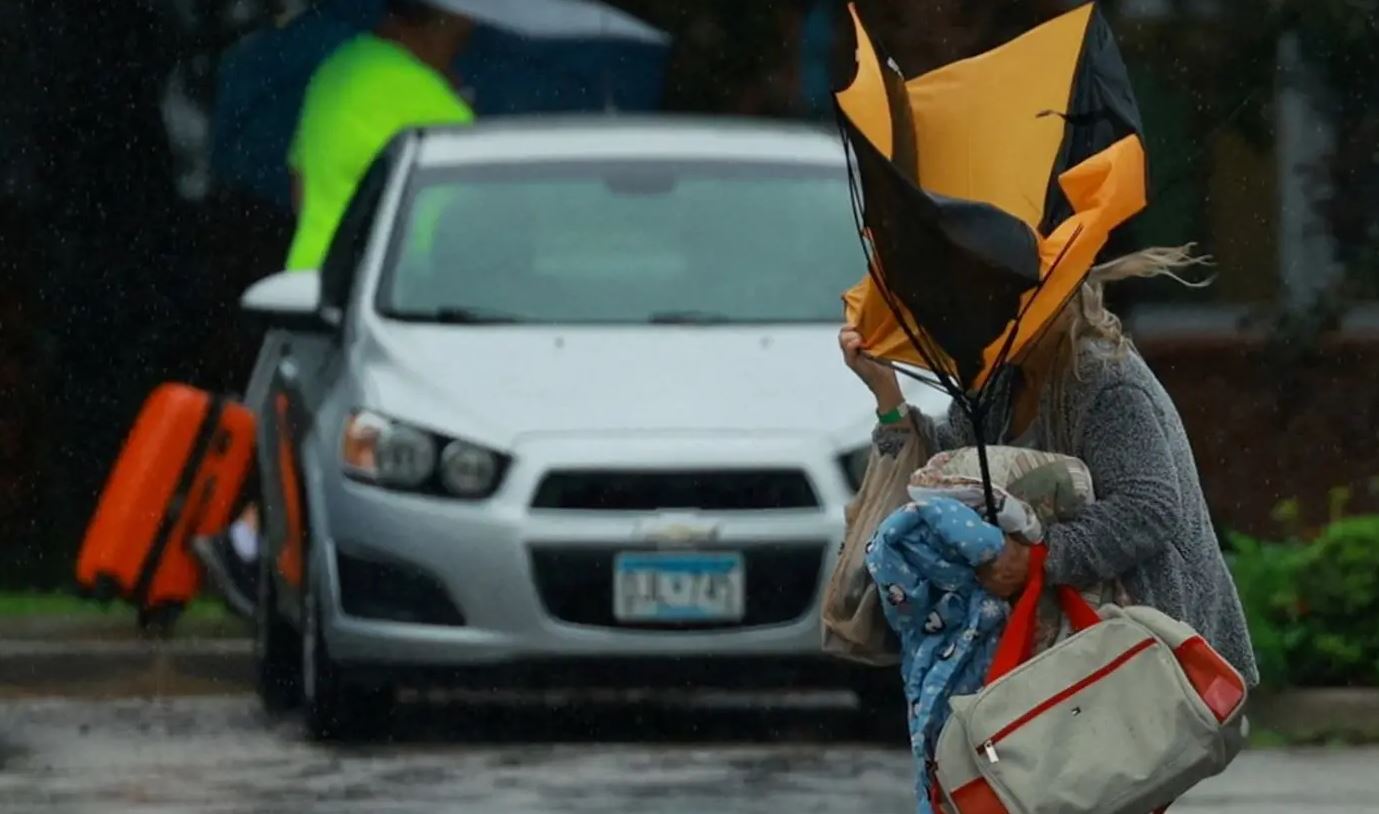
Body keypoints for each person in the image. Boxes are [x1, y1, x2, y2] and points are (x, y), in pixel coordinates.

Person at [839, 247, 1260, 687]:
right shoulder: (995, 380)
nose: (987, 312)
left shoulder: (1106, 381)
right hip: (1063, 651)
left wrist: (1037, 557)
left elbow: (1148, 507)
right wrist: (886, 395)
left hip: (1149, 648)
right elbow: (948, 471)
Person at [194, 0, 477, 615]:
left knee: (298, 433)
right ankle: (267, 551)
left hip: (306, 282)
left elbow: (298, 181)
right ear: (443, 21)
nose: (471, 33)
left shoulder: (338, 68)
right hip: (381, 301)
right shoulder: (435, 109)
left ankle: (253, 546)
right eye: (464, 24)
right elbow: (456, 231)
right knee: (369, 448)